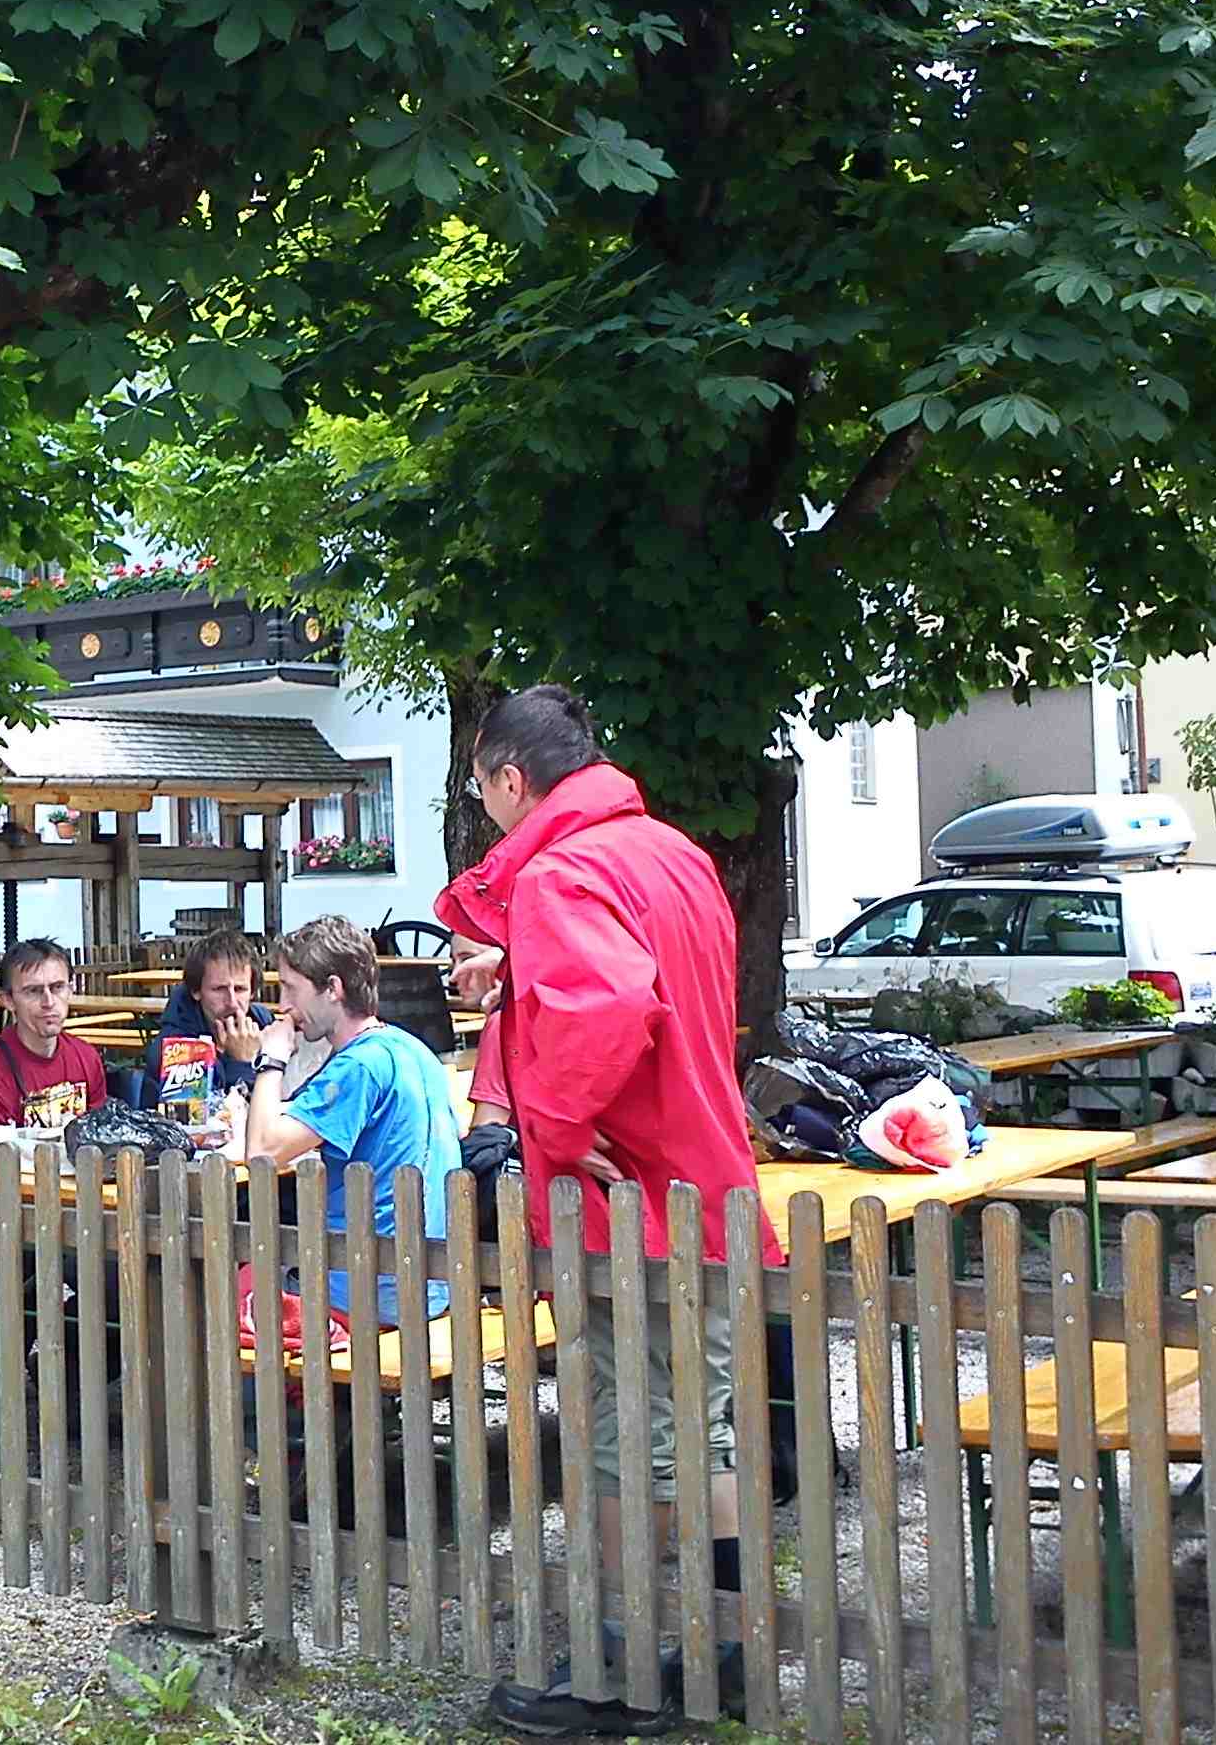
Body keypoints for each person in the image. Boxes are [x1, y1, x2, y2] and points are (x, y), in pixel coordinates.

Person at [433, 684, 782, 1736]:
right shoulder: (672, 853)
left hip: (624, 1201)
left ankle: (616, 1664)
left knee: (623, 1437)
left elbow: (612, 1004)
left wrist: (558, 1118)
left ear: (510, 779)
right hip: (704, 1183)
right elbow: (658, 981)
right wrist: (520, 967)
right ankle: (727, 1655)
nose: (487, 811)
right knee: (705, 1433)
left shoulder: (560, 870)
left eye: (482, 790)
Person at [239, 914, 460, 1326]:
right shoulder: (412, 1050)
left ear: (333, 989)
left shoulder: (358, 1066)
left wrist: (271, 1059)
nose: (283, 1005)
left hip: (366, 1287)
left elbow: (261, 1153)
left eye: (291, 988)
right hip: (429, 1282)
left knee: (230, 1278)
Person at [0, 937, 107, 1137]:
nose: (48, 1002)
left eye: (57, 987)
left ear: (71, 989)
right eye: (33, 991)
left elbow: (101, 1136)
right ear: (8, 1000)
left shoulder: (87, 1057)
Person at [137, 930, 272, 1117]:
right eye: (219, 989)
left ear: (253, 992)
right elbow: (202, 1125)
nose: (232, 1002)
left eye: (240, 989)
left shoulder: (264, 1022)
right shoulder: (175, 1049)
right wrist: (240, 1063)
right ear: (196, 991)